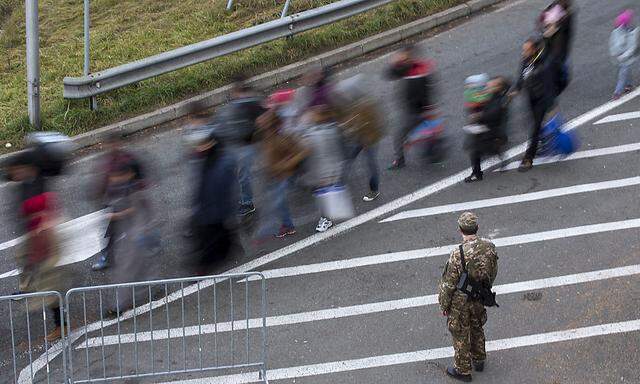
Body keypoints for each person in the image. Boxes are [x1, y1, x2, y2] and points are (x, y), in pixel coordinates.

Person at [4, 152, 65, 341]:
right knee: (23, 259)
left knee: (49, 279)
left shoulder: (40, 180)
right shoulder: (22, 185)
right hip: (32, 236)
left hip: (47, 237)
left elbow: (50, 208)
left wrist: (44, 226)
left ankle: (61, 324)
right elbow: (19, 213)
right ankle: (28, 288)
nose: (14, 176)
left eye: (16, 171)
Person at [439, 212, 498, 382]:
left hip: (460, 302)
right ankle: (479, 359)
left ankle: (463, 370)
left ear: (460, 230)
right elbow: (493, 272)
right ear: (477, 228)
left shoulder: (457, 254)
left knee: (460, 333)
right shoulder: (489, 247)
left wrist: (444, 305)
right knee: (477, 326)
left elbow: (448, 284)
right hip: (479, 296)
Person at [255, 91, 310, 239]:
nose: (260, 122)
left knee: (278, 202)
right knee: (279, 197)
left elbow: (303, 151)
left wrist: (285, 165)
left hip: (283, 173)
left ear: (270, 123)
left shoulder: (283, 137)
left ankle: (288, 226)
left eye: (263, 122)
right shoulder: (267, 135)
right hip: (274, 174)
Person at [211, 76, 266, 216]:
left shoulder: (250, 103)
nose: (233, 95)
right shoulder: (240, 102)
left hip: (246, 145)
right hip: (237, 145)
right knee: (237, 175)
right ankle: (241, 201)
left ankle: (247, 203)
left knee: (243, 176)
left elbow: (262, 119)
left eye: (235, 92)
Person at [91, 132, 146, 271]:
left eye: (112, 144)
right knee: (111, 232)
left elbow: (140, 179)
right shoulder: (108, 161)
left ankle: (142, 255)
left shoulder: (128, 160)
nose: (109, 147)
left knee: (134, 230)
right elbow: (104, 181)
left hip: (127, 200)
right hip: (113, 201)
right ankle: (107, 257)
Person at [190, 132, 238, 275]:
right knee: (215, 235)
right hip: (210, 209)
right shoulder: (210, 160)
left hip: (214, 210)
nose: (199, 149)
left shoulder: (220, 163)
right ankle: (222, 254)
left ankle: (205, 266)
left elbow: (220, 188)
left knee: (211, 238)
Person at [386, 44, 437, 169]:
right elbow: (389, 74)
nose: (404, 58)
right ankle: (430, 153)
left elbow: (427, 90)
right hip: (413, 109)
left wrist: (428, 108)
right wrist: (394, 63)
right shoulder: (409, 67)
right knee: (423, 133)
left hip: (416, 110)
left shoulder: (417, 69)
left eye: (406, 56)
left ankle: (400, 160)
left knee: (400, 135)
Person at [333, 75, 384, 201]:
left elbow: (375, 124)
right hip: (358, 138)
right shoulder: (352, 104)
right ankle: (339, 186)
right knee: (347, 162)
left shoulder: (366, 106)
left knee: (370, 165)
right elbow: (352, 121)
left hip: (368, 140)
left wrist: (365, 137)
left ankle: (374, 190)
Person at [299, 105, 345, 232]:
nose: (311, 116)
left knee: (323, 196)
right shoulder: (322, 130)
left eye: (314, 114)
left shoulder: (326, 132)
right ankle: (327, 216)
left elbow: (332, 153)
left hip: (325, 171)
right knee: (321, 195)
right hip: (320, 170)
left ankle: (326, 219)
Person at [512, 37, 555, 172]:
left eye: (527, 50)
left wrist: (550, 105)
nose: (523, 52)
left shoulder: (543, 64)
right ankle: (544, 142)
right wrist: (516, 89)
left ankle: (528, 158)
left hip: (541, 99)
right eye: (523, 50)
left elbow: (549, 85)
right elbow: (521, 77)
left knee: (535, 128)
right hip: (531, 98)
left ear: (534, 50)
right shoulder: (526, 61)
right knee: (533, 124)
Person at [464, 77, 511, 182]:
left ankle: (477, 174)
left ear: (498, 88)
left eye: (490, 86)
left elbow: (492, 114)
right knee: (489, 149)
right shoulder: (495, 97)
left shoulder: (499, 101)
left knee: (475, 151)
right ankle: (502, 158)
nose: (487, 87)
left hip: (491, 131)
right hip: (487, 129)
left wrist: (478, 116)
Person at [609, 10, 638, 100]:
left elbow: (612, 44)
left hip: (621, 55)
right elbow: (632, 47)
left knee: (625, 71)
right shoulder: (630, 32)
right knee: (624, 73)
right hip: (626, 56)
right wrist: (624, 55)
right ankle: (617, 92)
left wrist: (615, 54)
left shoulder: (616, 32)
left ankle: (628, 86)